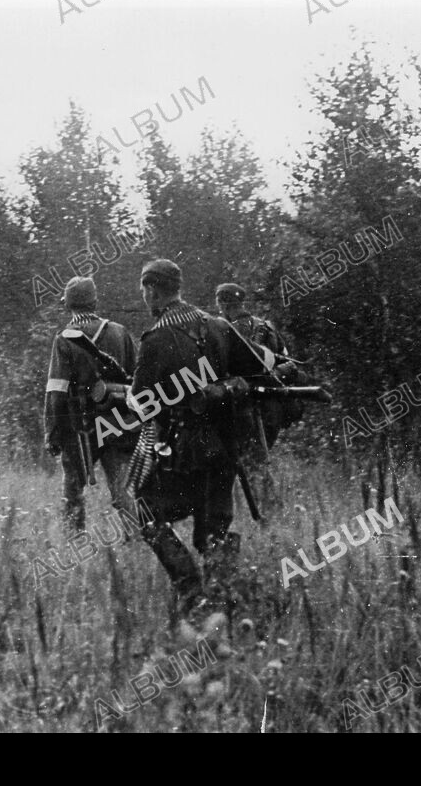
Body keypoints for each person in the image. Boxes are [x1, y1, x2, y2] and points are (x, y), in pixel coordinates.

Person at [128, 260, 276, 618]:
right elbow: (260, 370)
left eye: (145, 290)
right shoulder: (219, 326)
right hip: (225, 448)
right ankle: (225, 604)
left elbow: (143, 402)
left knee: (147, 511)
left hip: (181, 451)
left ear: (152, 289)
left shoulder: (156, 339)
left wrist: (135, 399)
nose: (145, 296)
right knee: (214, 528)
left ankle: (192, 593)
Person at [44, 276, 138, 533]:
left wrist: (52, 431)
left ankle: (74, 542)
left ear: (68, 305)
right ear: (95, 301)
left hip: (81, 428)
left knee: (73, 491)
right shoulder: (120, 332)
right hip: (120, 423)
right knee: (123, 491)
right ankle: (140, 538)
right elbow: (136, 381)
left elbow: (56, 391)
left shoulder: (65, 339)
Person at [214, 282, 298, 513]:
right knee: (255, 463)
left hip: (249, 411)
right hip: (274, 408)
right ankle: (262, 511)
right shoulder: (267, 327)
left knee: (252, 466)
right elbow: (286, 361)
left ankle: (270, 514)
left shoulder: (230, 331)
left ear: (222, 303)